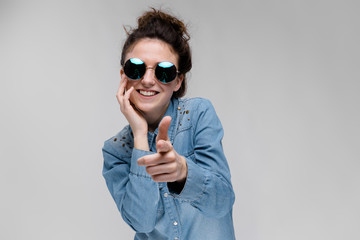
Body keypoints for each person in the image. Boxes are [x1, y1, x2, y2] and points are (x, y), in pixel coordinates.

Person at [102, 8, 236, 240]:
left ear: (178, 81)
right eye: (136, 67)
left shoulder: (198, 115)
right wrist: (141, 137)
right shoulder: (116, 151)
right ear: (123, 74)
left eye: (164, 71)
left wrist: (183, 173)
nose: (147, 80)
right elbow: (141, 222)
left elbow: (222, 202)